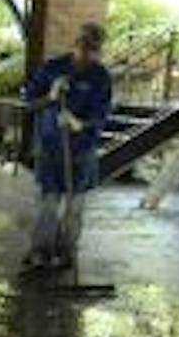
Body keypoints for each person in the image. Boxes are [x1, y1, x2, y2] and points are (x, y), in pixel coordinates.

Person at [19, 23, 113, 270]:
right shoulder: (52, 69)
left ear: (99, 50)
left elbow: (101, 115)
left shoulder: (101, 77)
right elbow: (28, 104)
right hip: (50, 149)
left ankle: (66, 253)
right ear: (75, 43)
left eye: (93, 49)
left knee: (74, 209)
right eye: (83, 46)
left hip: (81, 153)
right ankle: (40, 251)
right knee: (48, 206)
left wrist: (79, 124)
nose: (87, 54)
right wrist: (50, 97)